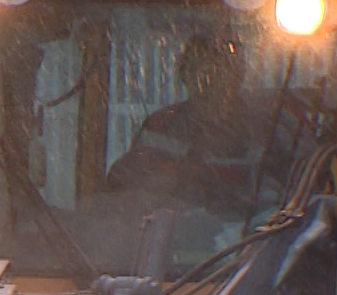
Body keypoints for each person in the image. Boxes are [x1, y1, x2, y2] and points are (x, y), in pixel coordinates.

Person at [104, 31, 266, 213]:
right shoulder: (161, 125)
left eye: (218, 70)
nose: (207, 80)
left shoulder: (262, 127)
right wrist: (160, 180)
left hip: (250, 234)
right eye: (197, 69)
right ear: (184, 76)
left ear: (237, 76)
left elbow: (279, 193)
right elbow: (119, 183)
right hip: (174, 233)